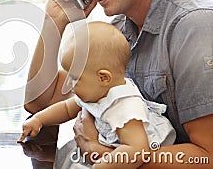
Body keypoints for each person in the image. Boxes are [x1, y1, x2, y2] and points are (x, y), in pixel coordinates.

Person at [23, 0, 213, 168]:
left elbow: (208, 156)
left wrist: (97, 151)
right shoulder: (120, 28)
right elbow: (39, 101)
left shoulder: (194, 27)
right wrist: (54, 23)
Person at [19, 21, 176, 168]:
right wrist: (39, 120)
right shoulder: (97, 91)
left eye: (74, 78)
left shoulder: (125, 108)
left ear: (103, 77)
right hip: (107, 149)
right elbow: (67, 108)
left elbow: (137, 151)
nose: (68, 84)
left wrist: (102, 166)